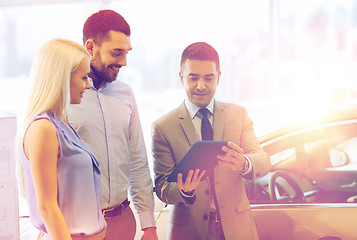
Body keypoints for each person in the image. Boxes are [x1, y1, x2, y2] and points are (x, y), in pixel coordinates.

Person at [152, 42, 271, 240]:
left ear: (218, 77)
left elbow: (263, 160)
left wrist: (244, 163)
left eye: (209, 78)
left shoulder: (238, 114)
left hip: (236, 228)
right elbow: (162, 188)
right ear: (181, 78)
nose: (201, 86)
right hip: (189, 231)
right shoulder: (163, 127)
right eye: (193, 78)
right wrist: (184, 191)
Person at [67, 10, 158, 240]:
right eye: (117, 53)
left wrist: (149, 225)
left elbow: (138, 160)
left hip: (123, 222)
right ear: (90, 47)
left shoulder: (126, 94)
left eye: (126, 53)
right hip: (78, 227)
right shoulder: (64, 96)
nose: (124, 62)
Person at [16, 39, 107, 240]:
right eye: (84, 77)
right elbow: (47, 208)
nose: (89, 85)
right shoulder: (43, 129)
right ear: (62, 78)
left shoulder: (60, 123)